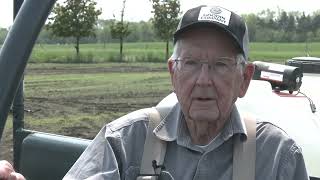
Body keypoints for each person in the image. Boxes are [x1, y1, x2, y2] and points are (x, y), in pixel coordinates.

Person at [63, 5, 309, 180]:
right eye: (190, 63)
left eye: (220, 65)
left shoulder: (277, 156)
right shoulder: (124, 142)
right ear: (173, 72)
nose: (203, 80)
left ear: (244, 79)